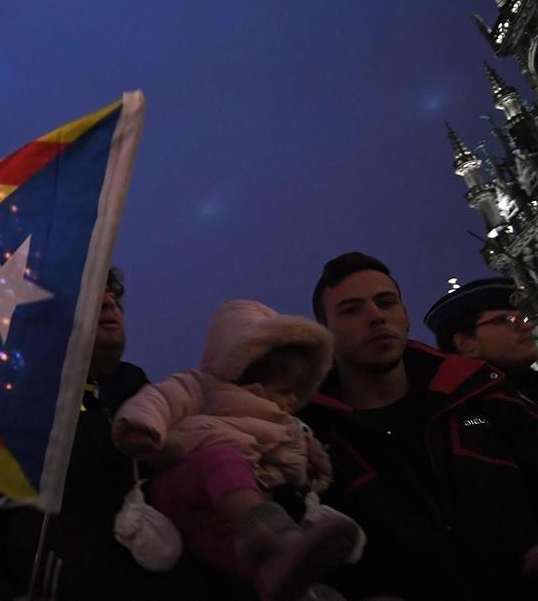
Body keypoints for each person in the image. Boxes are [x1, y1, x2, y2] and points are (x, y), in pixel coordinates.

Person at [0, 268, 233, 600]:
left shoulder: (143, 395)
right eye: (93, 297)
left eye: (114, 299)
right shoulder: (15, 411)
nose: (110, 304)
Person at [299, 252, 538, 600]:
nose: (376, 317)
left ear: (405, 316)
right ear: (326, 333)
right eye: (351, 309)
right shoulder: (314, 437)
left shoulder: (480, 392)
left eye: (386, 303)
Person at [113, 300, 360, 601]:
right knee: (221, 459)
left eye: (295, 393)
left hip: (229, 521)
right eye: (283, 391)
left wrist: (313, 466)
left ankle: (301, 582)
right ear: (251, 377)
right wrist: (141, 427)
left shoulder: (286, 426)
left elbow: (295, 460)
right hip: (187, 486)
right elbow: (158, 400)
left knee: (271, 570)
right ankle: (277, 537)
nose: (290, 401)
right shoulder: (202, 387)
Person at [424, 277, 537, 402]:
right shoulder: (473, 407)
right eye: (506, 320)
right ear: (466, 344)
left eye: (522, 318)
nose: (527, 326)